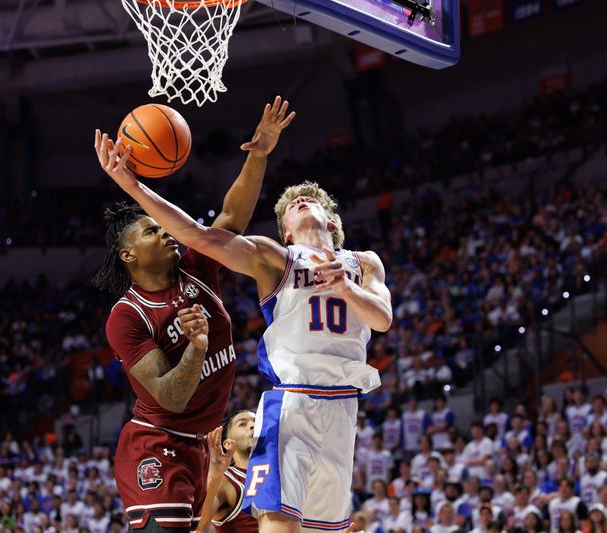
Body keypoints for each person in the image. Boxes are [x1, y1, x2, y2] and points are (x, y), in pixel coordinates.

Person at [97, 116, 392, 533]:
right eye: (289, 206)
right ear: (285, 233)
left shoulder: (363, 263)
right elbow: (197, 233)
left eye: (311, 202)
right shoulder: (275, 259)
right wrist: (130, 184)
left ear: (332, 221)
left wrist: (258, 158)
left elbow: (382, 319)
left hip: (330, 409)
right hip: (250, 415)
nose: (300, 203)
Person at [94, 97, 296, 532]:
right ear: (128, 254)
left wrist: (259, 155)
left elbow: (230, 218)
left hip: (205, 444)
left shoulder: (196, 269)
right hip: (157, 444)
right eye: (152, 230)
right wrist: (197, 348)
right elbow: (171, 397)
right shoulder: (127, 316)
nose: (165, 231)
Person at [199, 410, 258, 533]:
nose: (253, 425)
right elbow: (199, 525)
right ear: (227, 443)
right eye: (242, 424)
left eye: (256, 422)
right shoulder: (227, 480)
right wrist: (214, 477)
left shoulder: (281, 473)